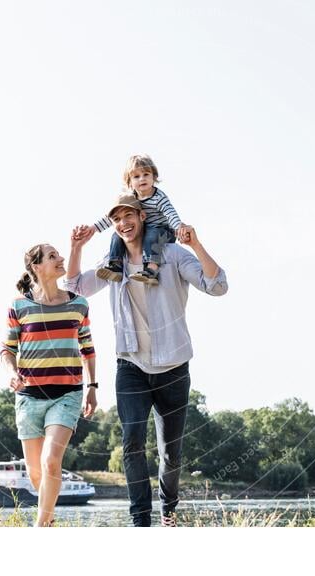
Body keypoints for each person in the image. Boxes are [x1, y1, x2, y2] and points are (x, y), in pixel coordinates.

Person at [66, 195, 228, 527]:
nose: (123, 224)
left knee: (171, 452)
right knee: (132, 442)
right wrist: (76, 248)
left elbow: (218, 285)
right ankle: (140, 521)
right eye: (116, 220)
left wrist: (196, 244)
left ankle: (168, 509)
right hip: (131, 366)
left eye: (129, 216)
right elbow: (74, 288)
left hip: (173, 368)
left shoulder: (171, 255)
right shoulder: (114, 264)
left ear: (142, 216)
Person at [0, 243, 98, 526]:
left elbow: (88, 349)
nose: (61, 259)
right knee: (35, 474)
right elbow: (7, 349)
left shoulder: (79, 304)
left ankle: (40, 528)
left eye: (59, 254)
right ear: (36, 267)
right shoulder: (19, 306)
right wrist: (11, 372)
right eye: (52, 256)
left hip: (66, 395)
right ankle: (50, 522)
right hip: (29, 397)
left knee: (51, 461)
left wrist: (93, 386)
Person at [76, 154, 192, 285]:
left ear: (154, 177)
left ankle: (151, 270)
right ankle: (116, 266)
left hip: (163, 230)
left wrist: (179, 227)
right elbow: (113, 217)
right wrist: (94, 228)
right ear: (130, 182)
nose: (142, 179)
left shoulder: (159, 197)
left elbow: (171, 214)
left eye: (146, 174)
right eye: (136, 176)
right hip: (145, 229)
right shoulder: (132, 197)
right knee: (116, 235)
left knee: (151, 235)